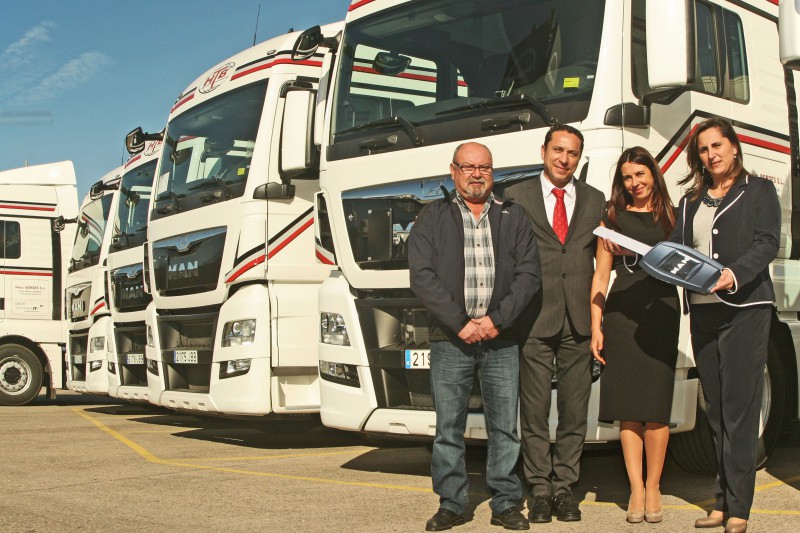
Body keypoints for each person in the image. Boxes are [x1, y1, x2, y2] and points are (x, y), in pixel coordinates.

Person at [409, 142, 542, 531]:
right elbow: (422, 277)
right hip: (451, 340)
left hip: (501, 339)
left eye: (483, 167)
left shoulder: (512, 216)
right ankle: (452, 502)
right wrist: (461, 322)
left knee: (505, 426)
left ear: (493, 173)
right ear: (453, 171)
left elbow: (529, 276)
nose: (476, 173)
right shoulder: (431, 217)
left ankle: (505, 502)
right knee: (448, 427)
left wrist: (496, 321)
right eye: (467, 167)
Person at [671, 118, 780, 533]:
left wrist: (733, 274)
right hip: (703, 311)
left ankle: (740, 508)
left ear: (734, 147)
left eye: (718, 145)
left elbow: (767, 242)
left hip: (745, 307)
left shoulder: (759, 191)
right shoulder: (690, 200)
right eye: (703, 149)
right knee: (715, 410)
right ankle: (722, 500)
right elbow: (678, 251)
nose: (711, 154)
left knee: (740, 410)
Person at [505, 125, 605, 523]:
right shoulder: (517, 196)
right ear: (544, 150)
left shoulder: (595, 199)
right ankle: (539, 490)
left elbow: (603, 259)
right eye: (558, 150)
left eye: (573, 153)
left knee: (574, 412)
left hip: (579, 320)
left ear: (579, 158)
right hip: (534, 319)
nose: (565, 159)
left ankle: (565, 488)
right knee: (533, 412)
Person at [589, 147, 679, 524]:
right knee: (629, 411)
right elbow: (601, 275)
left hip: (661, 312)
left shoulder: (671, 216)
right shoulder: (612, 217)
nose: (634, 183)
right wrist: (596, 325)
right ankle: (636, 489)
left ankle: (655, 486)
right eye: (627, 177)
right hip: (621, 316)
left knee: (656, 410)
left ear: (653, 175)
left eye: (640, 175)